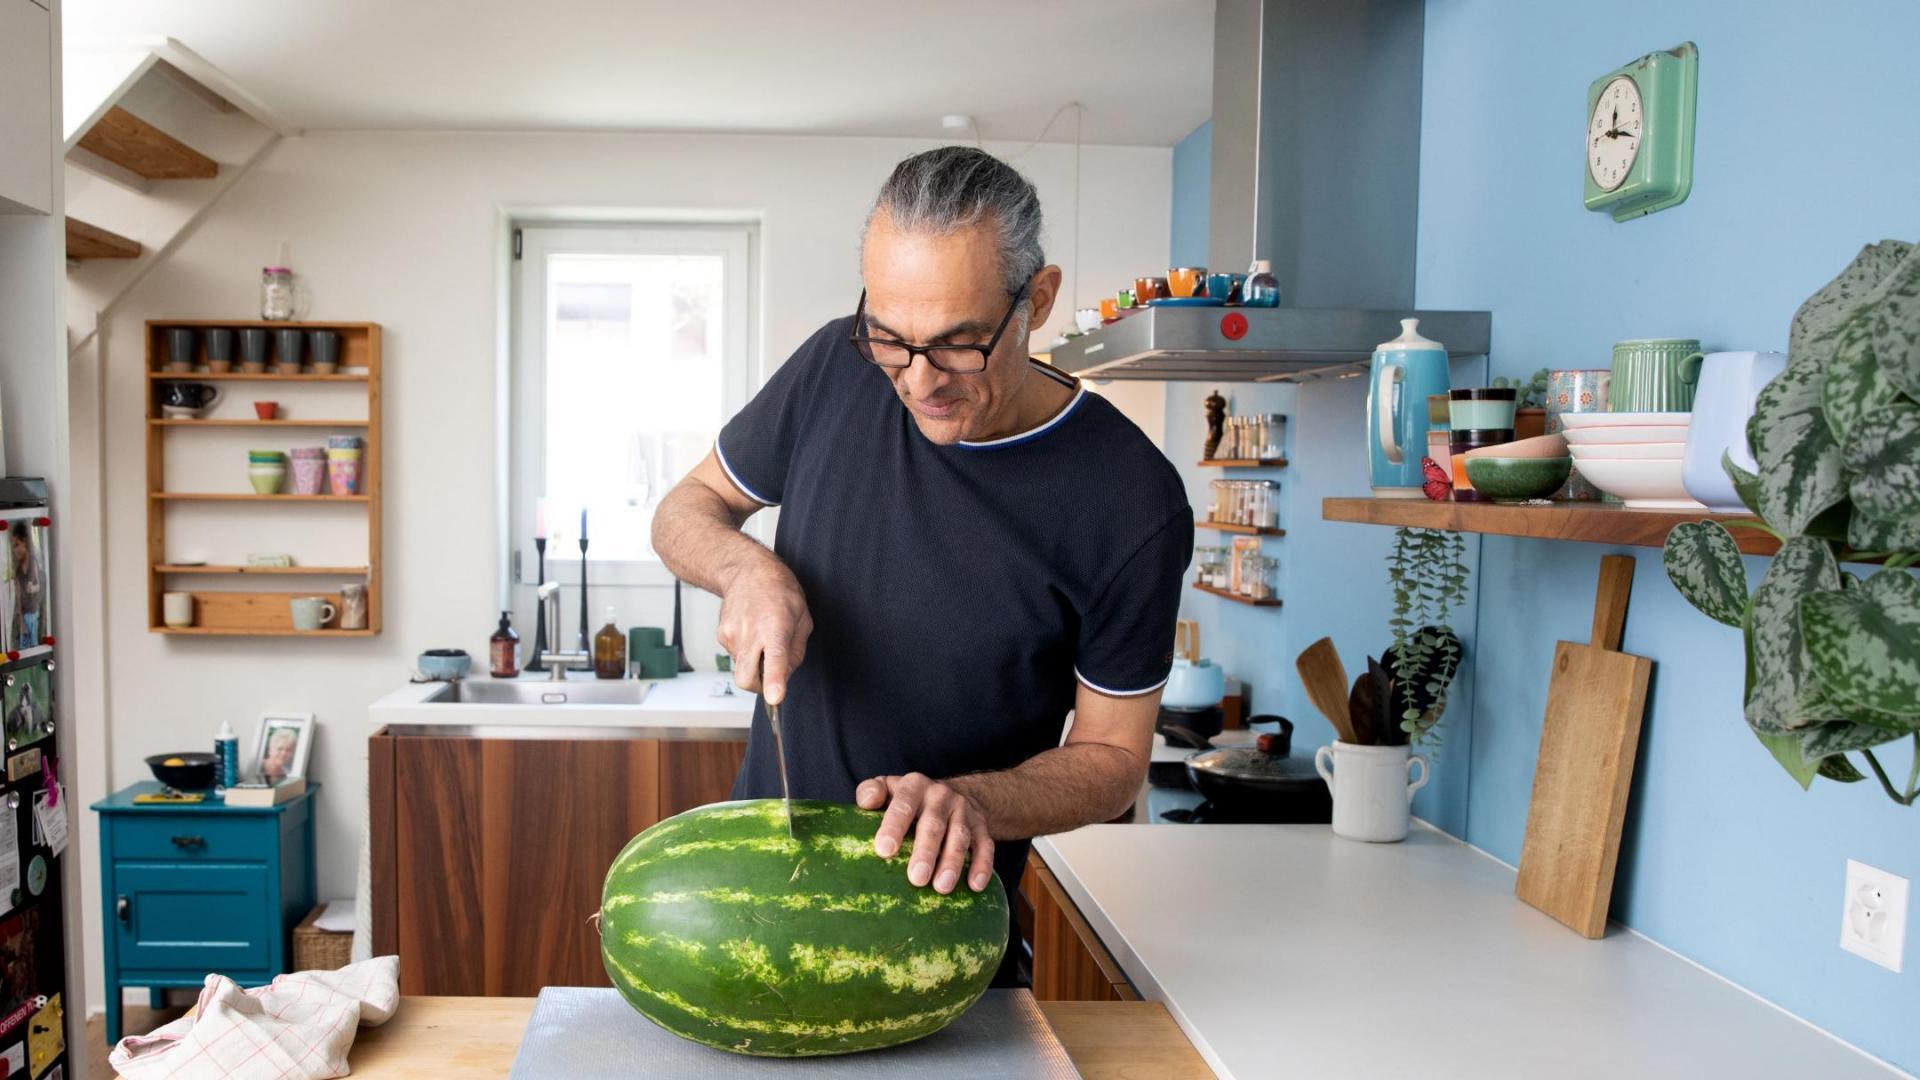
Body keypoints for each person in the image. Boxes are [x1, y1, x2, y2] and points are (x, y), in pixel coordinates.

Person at [653, 146, 1190, 985]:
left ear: (1037, 301)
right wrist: (745, 570)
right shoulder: (838, 363)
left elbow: (1115, 761)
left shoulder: (1131, 502)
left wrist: (978, 802)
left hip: (942, 954)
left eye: (959, 344)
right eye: (892, 340)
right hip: (758, 921)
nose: (918, 380)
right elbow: (686, 508)